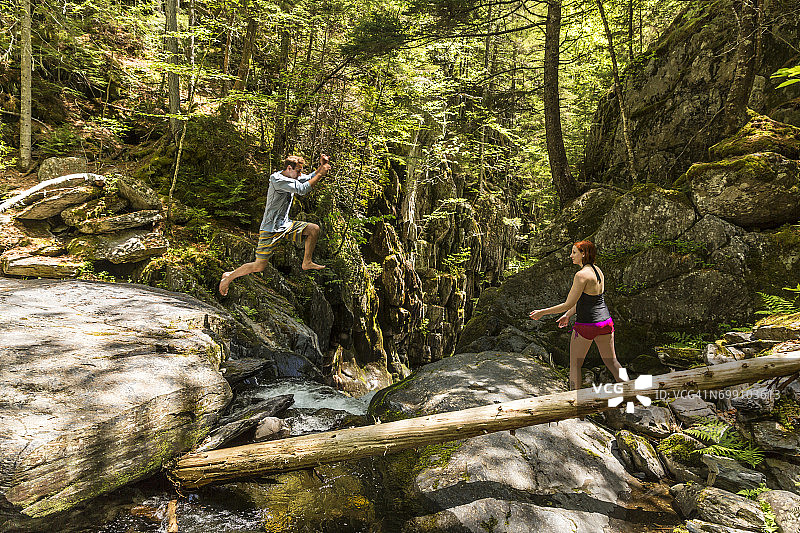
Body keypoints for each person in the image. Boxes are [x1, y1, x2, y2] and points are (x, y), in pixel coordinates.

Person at [219, 154, 331, 296]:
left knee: (313, 229)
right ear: (289, 168)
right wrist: (320, 174)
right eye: (298, 171)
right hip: (270, 228)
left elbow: (307, 178)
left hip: (285, 224)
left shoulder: (291, 177)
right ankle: (229, 278)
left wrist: (321, 167)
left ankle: (307, 262)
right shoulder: (278, 179)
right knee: (259, 266)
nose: (300, 174)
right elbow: (302, 189)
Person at [529, 240, 627, 391]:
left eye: (574, 252)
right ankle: (633, 394)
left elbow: (568, 303)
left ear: (583, 254)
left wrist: (543, 312)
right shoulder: (598, 271)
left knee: (575, 365)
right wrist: (568, 315)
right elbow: (588, 300)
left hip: (587, 325)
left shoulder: (581, 275)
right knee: (613, 362)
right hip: (605, 322)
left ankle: (575, 405)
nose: (571, 255)